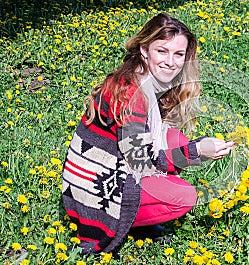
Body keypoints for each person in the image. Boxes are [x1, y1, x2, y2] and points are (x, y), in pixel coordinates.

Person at [62, 12, 235, 255]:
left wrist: (190, 149)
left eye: (179, 54)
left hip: (104, 169)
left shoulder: (145, 80)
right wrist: (197, 152)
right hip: (93, 189)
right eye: (161, 51)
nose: (170, 62)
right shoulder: (132, 94)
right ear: (144, 50)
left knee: (176, 139)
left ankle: (140, 217)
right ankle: (123, 222)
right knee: (184, 196)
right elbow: (142, 162)